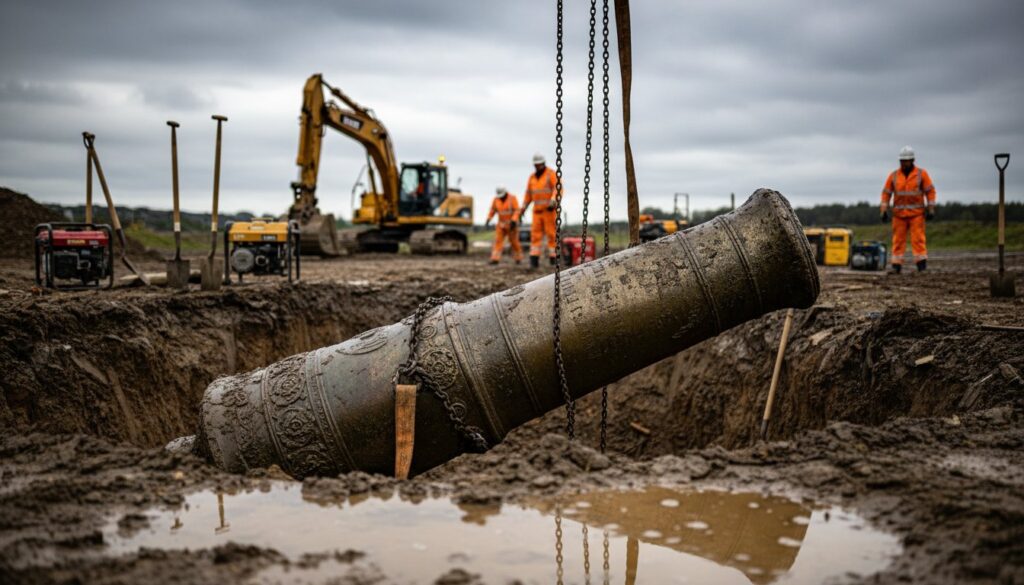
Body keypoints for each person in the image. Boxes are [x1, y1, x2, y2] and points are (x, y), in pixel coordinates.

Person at [880, 146, 936, 273]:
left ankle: (921, 265)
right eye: (902, 161)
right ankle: (896, 265)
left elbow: (930, 191)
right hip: (899, 215)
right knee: (898, 240)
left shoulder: (921, 174)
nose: (904, 163)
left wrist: (931, 208)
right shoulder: (894, 176)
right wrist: (883, 210)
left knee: (918, 239)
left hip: (916, 214)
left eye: (906, 160)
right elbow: (886, 193)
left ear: (912, 160)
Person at [518, 153, 562, 268]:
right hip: (537, 212)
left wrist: (553, 200)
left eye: (539, 164)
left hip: (549, 211)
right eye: (536, 165)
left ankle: (554, 259)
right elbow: (528, 195)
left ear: (543, 163)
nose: (537, 166)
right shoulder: (532, 178)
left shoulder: (551, 174)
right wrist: (522, 209)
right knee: (535, 236)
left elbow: (558, 188)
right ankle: (534, 260)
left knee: (552, 235)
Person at [485, 186, 522, 265]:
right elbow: (492, 210)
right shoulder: (496, 200)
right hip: (501, 225)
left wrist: (514, 220)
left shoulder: (512, 198)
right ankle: (495, 259)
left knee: (514, 242)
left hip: (511, 225)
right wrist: (488, 218)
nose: (501, 198)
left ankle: (518, 258)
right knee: (498, 241)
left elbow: (517, 210)